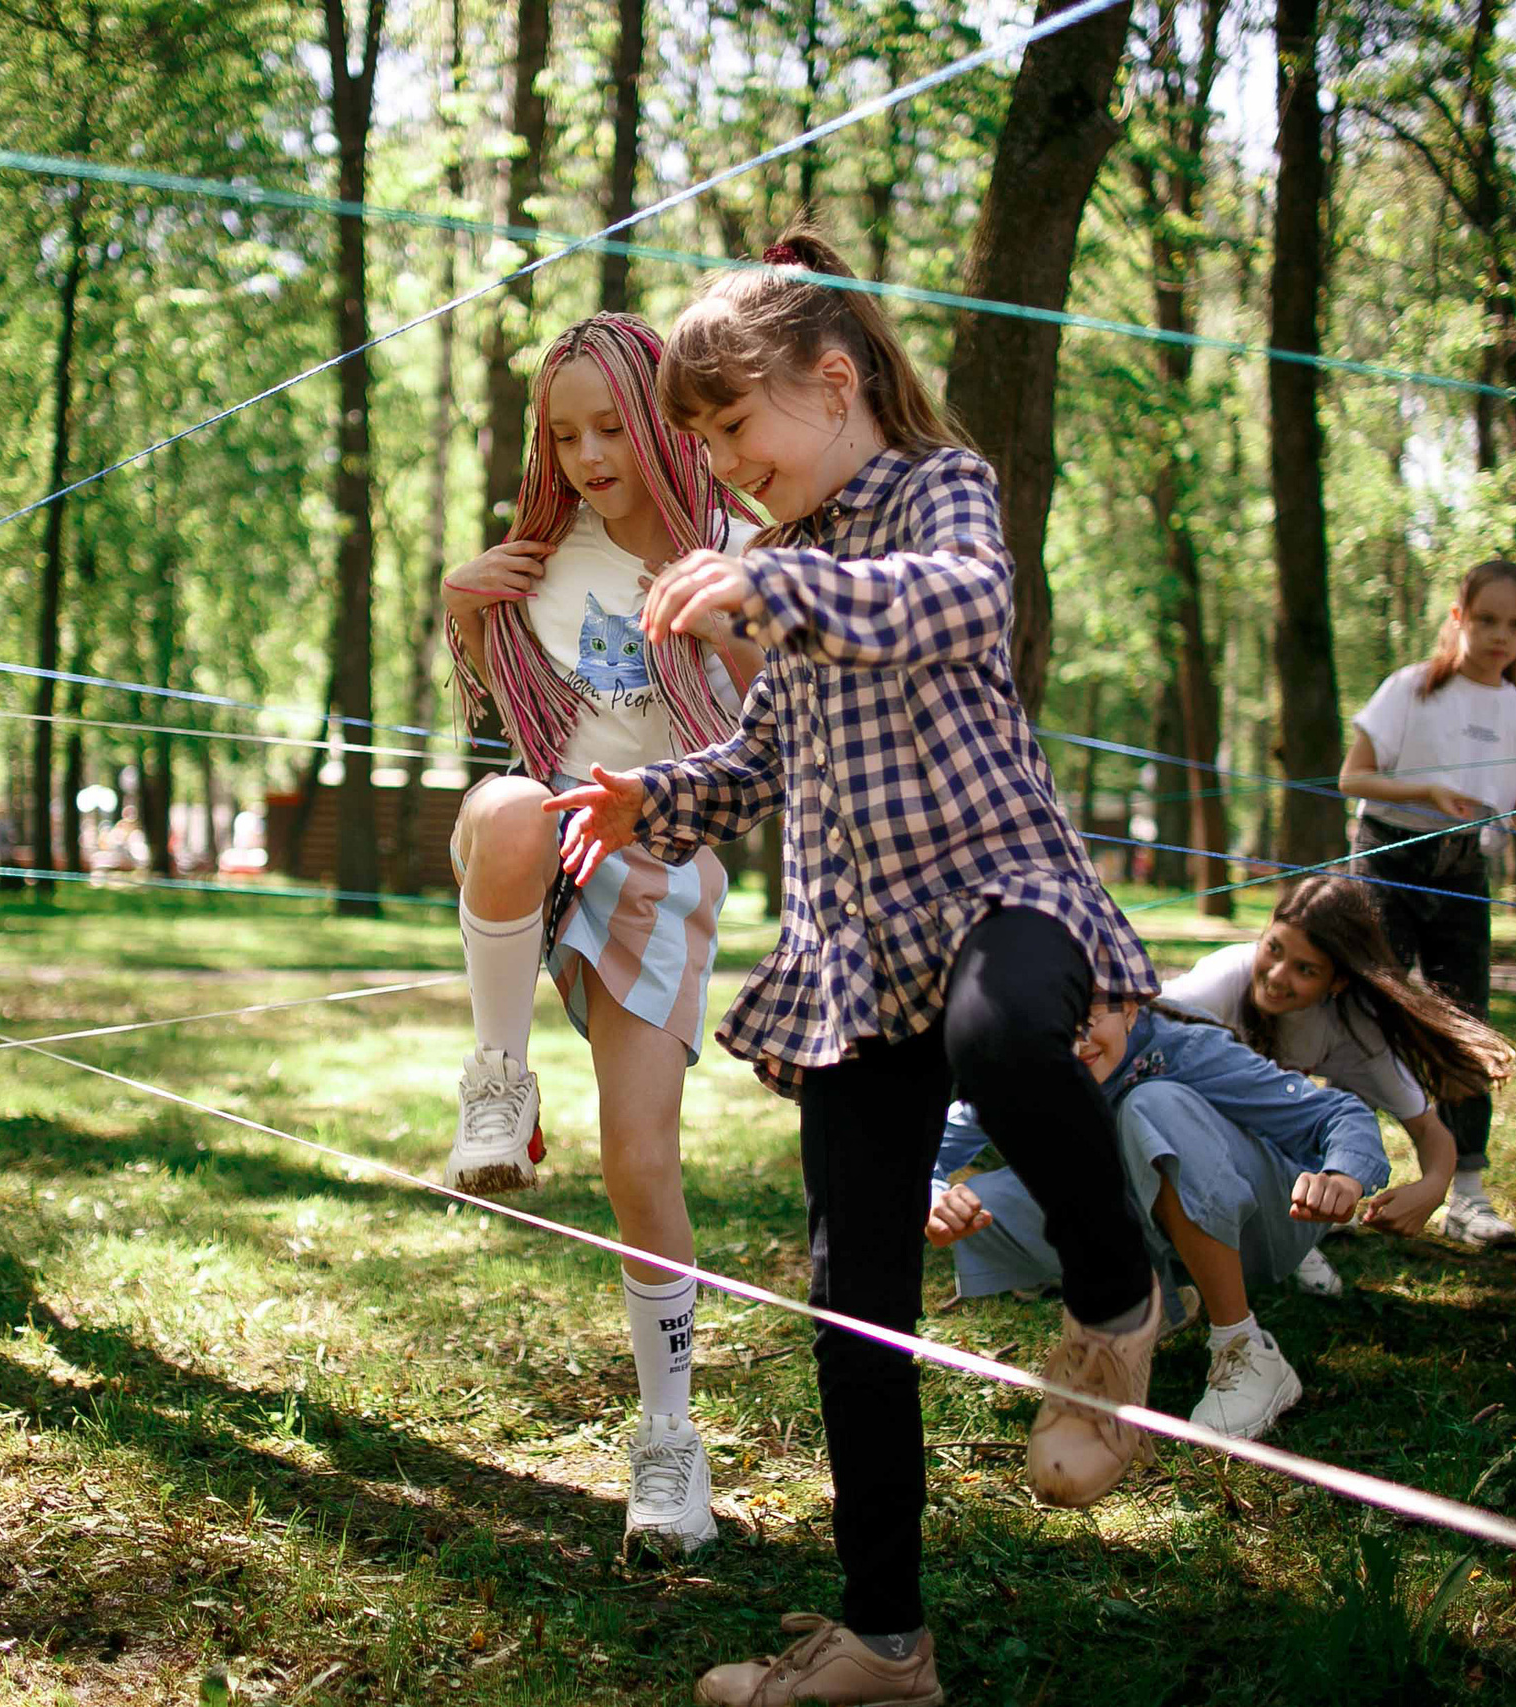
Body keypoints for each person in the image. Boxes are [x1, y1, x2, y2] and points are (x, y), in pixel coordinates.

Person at [550, 226, 1161, 1707]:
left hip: (992, 891)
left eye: (736, 425)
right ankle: (885, 1636)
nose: (726, 462)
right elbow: (769, 748)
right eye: (702, 440)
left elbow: (959, 603)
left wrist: (783, 601)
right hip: (846, 953)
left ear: (836, 384)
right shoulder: (778, 560)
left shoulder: (933, 493)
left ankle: (1116, 1299)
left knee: (1011, 1042)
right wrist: (659, 798)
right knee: (854, 1296)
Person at [437, 312, 764, 1556]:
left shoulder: (737, 546)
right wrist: (462, 608)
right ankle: (497, 1081)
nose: (582, 453)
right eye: (560, 433)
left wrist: (728, 620)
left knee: (641, 1166)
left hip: (659, 863)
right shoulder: (544, 553)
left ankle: (671, 1449)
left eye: (608, 426)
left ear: (660, 418)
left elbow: (771, 724)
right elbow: (499, 708)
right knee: (513, 807)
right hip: (541, 840)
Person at [926, 999, 1390, 1444]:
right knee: (989, 1199)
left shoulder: (1185, 1048)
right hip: (1155, 1226)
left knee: (1151, 1104)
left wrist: (1341, 1177)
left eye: (1087, 1016)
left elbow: (1337, 1114)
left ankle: (1245, 1349)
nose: (1074, 1044)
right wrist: (934, 1200)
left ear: (1129, 1008)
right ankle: (1146, 1302)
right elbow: (925, 1154)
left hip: (1268, 1225)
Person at [1338, 560, 1516, 1249]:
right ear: (1458, 617)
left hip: (1463, 871)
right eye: (1487, 619)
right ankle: (1329, 1175)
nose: (1501, 635)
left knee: (1466, 1023)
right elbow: (1352, 777)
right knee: (1359, 1008)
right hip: (1387, 856)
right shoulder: (1411, 688)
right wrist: (1426, 792)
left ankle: (1467, 1189)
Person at [1162, 874, 1508, 1294]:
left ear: (1338, 981)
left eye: (1305, 969)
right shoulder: (1224, 978)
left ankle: (1291, 1235)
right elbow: (1137, 1023)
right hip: (1186, 1141)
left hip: (1267, 1163)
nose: (1276, 975)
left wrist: (1432, 1187)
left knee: (1303, 1120)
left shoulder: (1353, 1027)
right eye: (1273, 948)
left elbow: (1429, 1130)